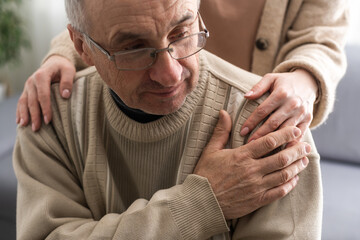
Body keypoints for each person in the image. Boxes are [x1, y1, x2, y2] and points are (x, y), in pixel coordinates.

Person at [13, 0, 321, 239]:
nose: (170, 74)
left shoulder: (273, 126)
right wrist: (198, 204)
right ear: (81, 47)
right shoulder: (49, 118)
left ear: (200, 16)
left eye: (182, 33)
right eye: (134, 48)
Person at [16, 0, 349, 144]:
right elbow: (125, 17)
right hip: (167, 117)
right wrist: (61, 54)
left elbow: (323, 35)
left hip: (258, 121)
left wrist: (305, 79)